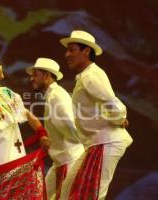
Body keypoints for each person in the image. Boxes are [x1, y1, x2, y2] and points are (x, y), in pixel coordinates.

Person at [60, 30, 133, 200]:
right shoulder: (87, 76)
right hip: (96, 143)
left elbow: (112, 102)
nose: (67, 54)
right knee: (70, 190)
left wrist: (120, 119)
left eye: (72, 50)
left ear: (86, 51)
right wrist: (119, 118)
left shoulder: (90, 76)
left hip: (105, 142)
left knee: (90, 194)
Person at [26, 57, 84, 199]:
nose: (31, 79)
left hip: (67, 160)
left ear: (46, 76)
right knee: (41, 196)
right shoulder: (54, 94)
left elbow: (71, 128)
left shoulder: (56, 96)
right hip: (62, 160)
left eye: (35, 75)